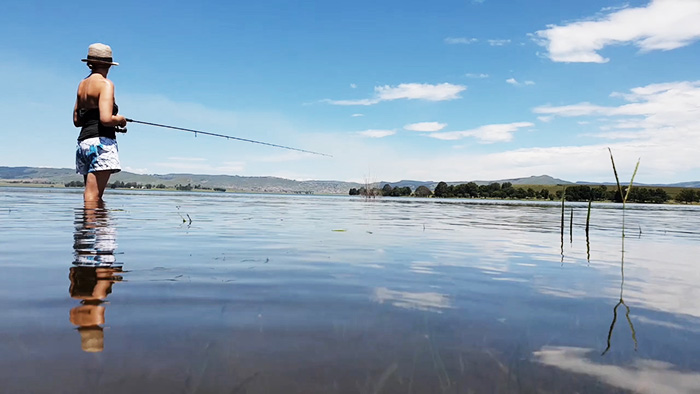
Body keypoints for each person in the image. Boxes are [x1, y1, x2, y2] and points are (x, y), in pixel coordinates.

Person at [73, 43, 127, 202]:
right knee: (93, 196)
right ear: (109, 65)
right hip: (101, 143)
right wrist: (121, 120)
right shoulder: (105, 84)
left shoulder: (82, 85)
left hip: (84, 144)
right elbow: (106, 119)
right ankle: (91, 226)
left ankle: (90, 227)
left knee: (91, 195)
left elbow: (77, 120)